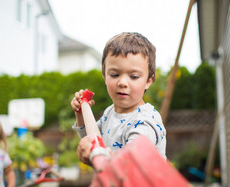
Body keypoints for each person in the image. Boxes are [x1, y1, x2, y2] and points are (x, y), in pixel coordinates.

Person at [71, 32, 166, 165]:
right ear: (105, 76)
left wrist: (99, 156)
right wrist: (81, 114)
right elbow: (92, 140)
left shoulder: (145, 121)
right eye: (115, 74)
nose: (122, 82)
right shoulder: (110, 113)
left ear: (148, 81)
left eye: (133, 77)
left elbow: (130, 163)